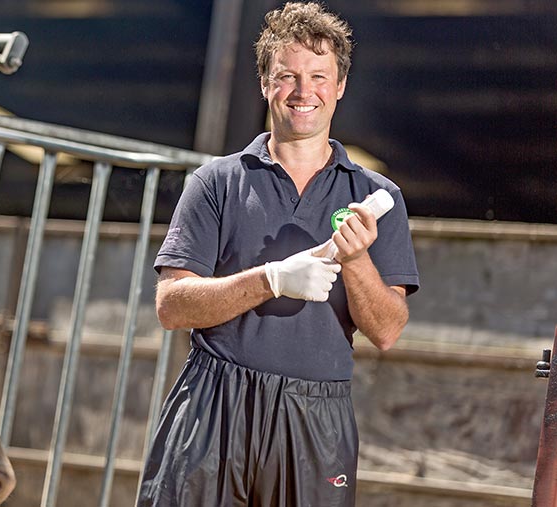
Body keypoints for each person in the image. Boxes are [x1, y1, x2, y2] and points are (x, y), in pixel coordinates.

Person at [136, 2, 420, 506]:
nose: (303, 91)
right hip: (214, 403)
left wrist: (356, 261)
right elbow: (171, 306)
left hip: (317, 415)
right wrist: (270, 279)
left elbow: (388, 329)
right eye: (287, 75)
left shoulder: (378, 198)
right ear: (265, 84)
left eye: (318, 76)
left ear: (340, 86)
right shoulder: (216, 182)